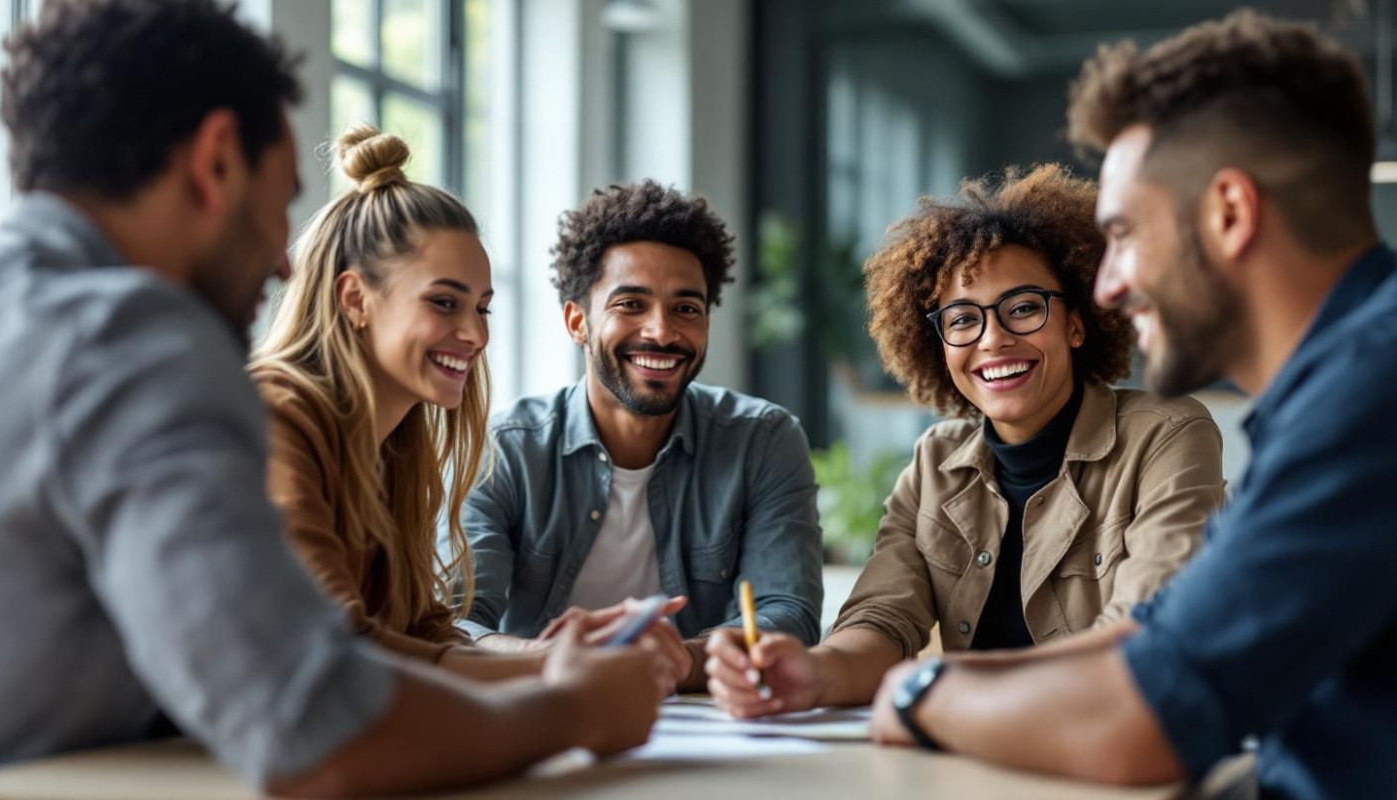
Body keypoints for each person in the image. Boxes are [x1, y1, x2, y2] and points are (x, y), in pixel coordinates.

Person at [0, 1, 658, 795]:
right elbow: (315, 723)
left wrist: (543, 662)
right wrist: (574, 709)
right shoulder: (132, 341)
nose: (285, 263)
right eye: (279, 200)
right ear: (215, 162)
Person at [863, 11, 1397, 799]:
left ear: (1229, 214)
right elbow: (1162, 641)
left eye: (1124, 233)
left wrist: (919, 693)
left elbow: (1144, 724)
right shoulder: (1341, 384)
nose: (1108, 285)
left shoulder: (1368, 393)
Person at [706, 164, 1223, 717]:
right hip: (976, 739)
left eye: (1023, 308)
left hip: (1106, 739)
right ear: (939, 344)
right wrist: (814, 673)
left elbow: (1145, 633)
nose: (993, 339)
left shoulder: (1167, 435)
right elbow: (882, 620)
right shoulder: (935, 462)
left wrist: (945, 690)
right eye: (962, 320)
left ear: (1077, 323)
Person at [453, 180, 824, 692]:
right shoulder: (505, 450)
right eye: (631, 304)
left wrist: (680, 660)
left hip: (707, 722)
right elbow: (454, 624)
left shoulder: (763, 441)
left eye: (686, 309)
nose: (662, 331)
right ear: (577, 321)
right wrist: (552, 659)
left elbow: (788, 612)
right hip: (541, 712)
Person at [250, 124, 561, 682]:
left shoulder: (398, 448)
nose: (476, 336)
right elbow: (334, 640)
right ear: (355, 299)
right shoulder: (277, 415)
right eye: (444, 302)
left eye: (483, 309)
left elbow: (420, 629)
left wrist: (563, 657)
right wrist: (555, 673)